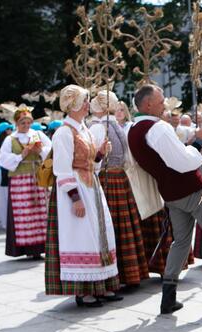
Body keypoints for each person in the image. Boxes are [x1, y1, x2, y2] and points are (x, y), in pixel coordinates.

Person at [128, 83, 202, 315]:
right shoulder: (157, 128)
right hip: (189, 187)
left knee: (180, 241)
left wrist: (189, 144)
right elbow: (181, 161)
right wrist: (199, 141)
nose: (164, 105)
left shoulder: (134, 129)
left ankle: (168, 298)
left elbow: (167, 157)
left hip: (170, 193)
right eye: (160, 101)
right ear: (148, 104)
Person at [45, 85, 121, 307]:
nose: (89, 105)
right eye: (85, 101)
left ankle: (102, 285)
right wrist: (75, 198)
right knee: (82, 236)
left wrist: (99, 154)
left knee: (100, 233)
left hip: (91, 187)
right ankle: (83, 290)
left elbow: (91, 165)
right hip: (76, 189)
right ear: (74, 104)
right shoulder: (63, 132)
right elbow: (62, 169)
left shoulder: (84, 130)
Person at [88, 90, 149, 289]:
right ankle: (130, 273)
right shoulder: (114, 124)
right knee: (124, 227)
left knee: (113, 227)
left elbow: (94, 160)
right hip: (119, 177)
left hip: (108, 179)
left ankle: (120, 274)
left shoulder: (99, 127)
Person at [0, 106, 52, 258]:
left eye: (28, 122)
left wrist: (39, 151)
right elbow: (3, 160)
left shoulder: (38, 135)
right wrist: (21, 156)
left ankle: (41, 246)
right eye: (23, 122)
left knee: (41, 212)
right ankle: (26, 249)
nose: (26, 125)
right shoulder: (11, 139)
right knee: (24, 213)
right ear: (16, 123)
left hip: (37, 177)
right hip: (19, 180)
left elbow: (51, 151)